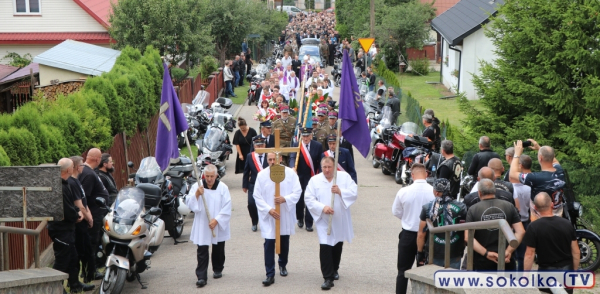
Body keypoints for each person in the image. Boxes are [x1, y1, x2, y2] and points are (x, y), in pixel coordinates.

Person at [305, 156, 358, 290]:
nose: (327, 170)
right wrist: (322, 207)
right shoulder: (315, 180)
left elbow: (354, 192)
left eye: (329, 167)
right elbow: (309, 198)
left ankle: (335, 269)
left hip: (339, 218)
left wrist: (341, 191)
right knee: (325, 245)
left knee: (337, 244)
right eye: (324, 167)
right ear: (321, 167)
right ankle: (327, 278)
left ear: (334, 167)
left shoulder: (344, 177)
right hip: (323, 219)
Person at [253, 153, 302, 286]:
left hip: (284, 214)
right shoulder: (262, 175)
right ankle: (270, 273)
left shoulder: (290, 174)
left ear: (280, 158)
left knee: (284, 242)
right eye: (270, 160)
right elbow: (256, 195)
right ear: (267, 160)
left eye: (275, 159)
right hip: (269, 215)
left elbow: (298, 191)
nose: (273, 162)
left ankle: (283, 264)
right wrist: (269, 209)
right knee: (269, 243)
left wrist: (285, 199)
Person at [51, 158, 94, 293]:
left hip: (68, 229)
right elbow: (67, 209)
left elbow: (71, 206)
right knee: (62, 260)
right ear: (69, 169)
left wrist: (76, 213)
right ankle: (54, 287)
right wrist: (77, 216)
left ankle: (74, 285)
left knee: (73, 257)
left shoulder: (65, 184)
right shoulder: (61, 187)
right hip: (61, 229)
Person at [392, 163, 435, 294]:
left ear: (412, 175)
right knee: (425, 271)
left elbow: (396, 211)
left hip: (408, 234)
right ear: (426, 174)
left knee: (403, 270)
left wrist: (407, 218)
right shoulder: (433, 191)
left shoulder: (404, 191)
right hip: (428, 234)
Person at [523, 192, 579, 294]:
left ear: (535, 207)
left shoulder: (533, 227)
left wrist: (525, 276)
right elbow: (575, 251)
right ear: (552, 204)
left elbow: (529, 254)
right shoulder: (566, 224)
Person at [186, 165, 232, 288]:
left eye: (212, 176)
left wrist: (217, 220)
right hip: (202, 222)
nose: (210, 179)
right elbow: (189, 203)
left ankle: (217, 268)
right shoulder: (197, 186)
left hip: (216, 221)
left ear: (216, 176)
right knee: (202, 249)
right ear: (204, 176)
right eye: (207, 176)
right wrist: (196, 194)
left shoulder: (223, 188)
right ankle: (201, 276)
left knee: (218, 248)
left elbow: (227, 207)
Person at [465, 179, 525, 271]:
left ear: (479, 193)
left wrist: (486, 253)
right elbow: (520, 231)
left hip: (482, 261)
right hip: (506, 259)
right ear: (495, 191)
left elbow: (468, 237)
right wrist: (508, 251)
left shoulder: (473, 210)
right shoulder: (509, 206)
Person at [509, 139, 566, 221]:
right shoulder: (560, 171)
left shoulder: (535, 178)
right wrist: (540, 148)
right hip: (558, 218)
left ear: (540, 158)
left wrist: (517, 154)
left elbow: (512, 174)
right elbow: (554, 161)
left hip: (539, 221)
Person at [416, 179, 467, 269]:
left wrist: (420, 252)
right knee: (451, 281)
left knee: (433, 280)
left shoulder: (427, 208)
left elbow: (421, 234)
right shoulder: (462, 207)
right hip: (454, 252)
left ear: (435, 192)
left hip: (434, 252)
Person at [78, 148, 109, 280]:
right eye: (100, 157)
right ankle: (90, 271)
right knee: (92, 244)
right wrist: (88, 216)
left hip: (96, 213)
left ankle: (91, 269)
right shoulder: (89, 174)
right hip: (93, 215)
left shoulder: (89, 172)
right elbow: (84, 197)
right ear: (97, 159)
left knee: (93, 243)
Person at [289, 127, 323, 232]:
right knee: (299, 199)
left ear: (311, 135)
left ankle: (309, 223)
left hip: (312, 176)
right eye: (303, 136)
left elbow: (321, 161)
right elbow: (292, 157)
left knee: (310, 199)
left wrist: (320, 175)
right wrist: (292, 167)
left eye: (307, 136)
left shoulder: (318, 146)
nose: (305, 138)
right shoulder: (297, 145)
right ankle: (300, 218)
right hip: (299, 176)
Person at [69, 156, 94, 284]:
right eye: (82, 165)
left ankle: (90, 274)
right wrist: (88, 217)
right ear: (77, 167)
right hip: (80, 223)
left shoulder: (77, 181)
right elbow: (78, 204)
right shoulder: (72, 183)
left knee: (87, 249)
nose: (83, 167)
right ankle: (78, 280)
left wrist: (89, 214)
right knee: (81, 251)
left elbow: (84, 201)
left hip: (85, 218)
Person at [243, 137, 269, 231]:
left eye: (262, 145)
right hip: (253, 184)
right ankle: (254, 221)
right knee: (251, 203)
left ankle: (266, 221)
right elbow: (246, 171)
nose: (260, 147)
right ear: (254, 146)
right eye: (258, 145)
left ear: (265, 145)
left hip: (267, 185)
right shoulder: (250, 156)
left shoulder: (269, 155)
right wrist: (244, 185)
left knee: (267, 203)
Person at [513, 154, 532, 271]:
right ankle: (521, 279)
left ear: (520, 166)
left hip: (515, 223)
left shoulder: (513, 186)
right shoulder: (531, 185)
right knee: (522, 255)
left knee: (511, 253)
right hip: (527, 221)